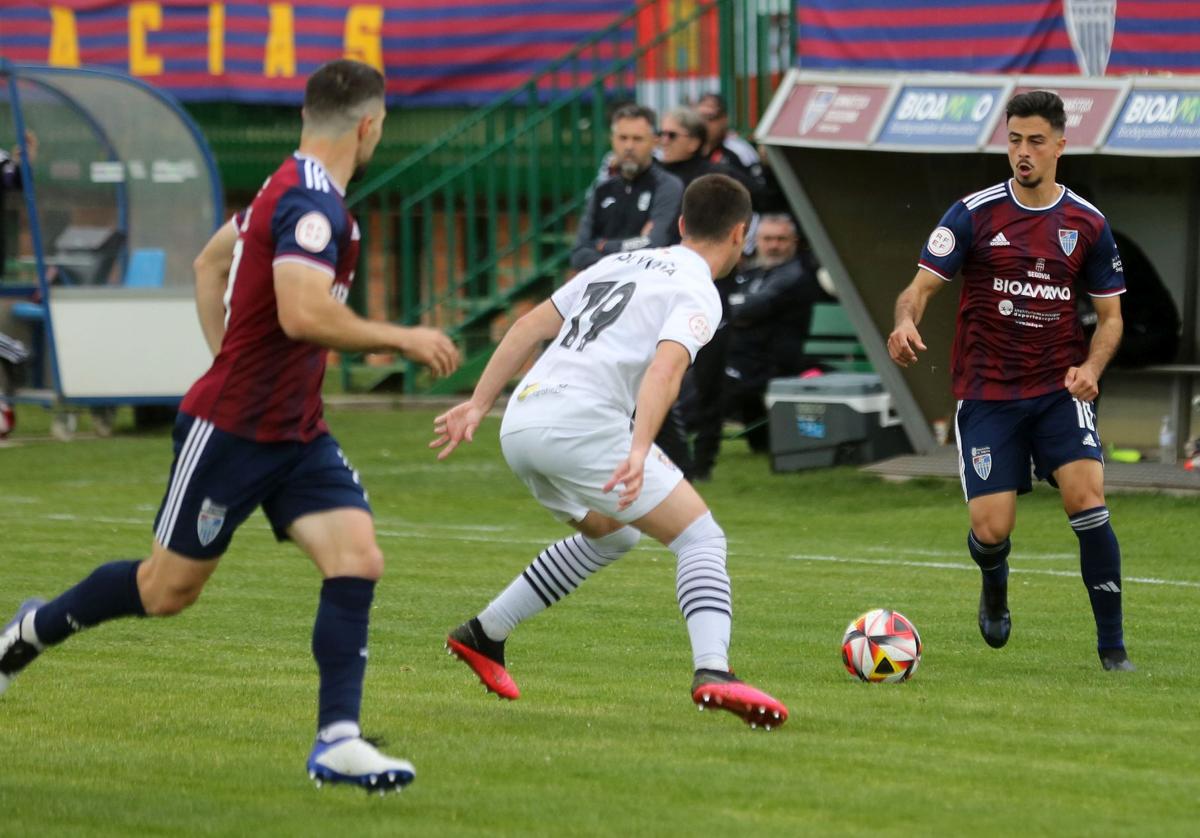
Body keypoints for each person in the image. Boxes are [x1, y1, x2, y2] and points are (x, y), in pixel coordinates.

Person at [0, 60, 462, 791]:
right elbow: (301, 313)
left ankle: (338, 740)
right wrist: (399, 336)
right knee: (165, 591)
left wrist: (230, 354)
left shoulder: (285, 194)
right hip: (234, 429)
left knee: (358, 558)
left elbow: (208, 264)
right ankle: (28, 632)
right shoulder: (313, 207)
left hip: (297, 431)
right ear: (369, 126)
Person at [430, 174, 788, 729]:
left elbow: (528, 326)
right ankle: (713, 671)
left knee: (614, 531)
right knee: (700, 536)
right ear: (741, 233)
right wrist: (640, 446)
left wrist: (478, 405)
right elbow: (667, 370)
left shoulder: (617, 264)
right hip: (580, 424)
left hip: (522, 422)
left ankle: (483, 635)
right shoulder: (698, 291)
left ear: (682, 224)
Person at [887, 90, 1132, 672]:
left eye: (1036, 141)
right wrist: (903, 322)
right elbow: (918, 288)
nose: (1023, 152)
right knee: (991, 528)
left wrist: (1091, 369)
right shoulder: (972, 214)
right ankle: (994, 579)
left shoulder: (1087, 224)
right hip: (988, 393)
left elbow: (1112, 317)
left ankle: (1113, 650)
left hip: (1057, 389)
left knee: (1087, 500)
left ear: (1060, 147)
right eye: (1015, 139)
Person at [721, 214, 831, 456]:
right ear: (757, 241)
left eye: (781, 239)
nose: (773, 245)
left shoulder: (796, 275)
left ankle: (682, 450)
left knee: (713, 384)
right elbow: (736, 309)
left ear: (794, 241)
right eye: (767, 239)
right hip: (745, 359)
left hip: (776, 362)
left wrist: (736, 310)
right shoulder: (752, 273)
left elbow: (753, 307)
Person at [570, 104, 684, 272]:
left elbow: (655, 247)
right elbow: (578, 254)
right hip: (603, 292)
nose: (629, 146)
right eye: (623, 138)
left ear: (654, 141)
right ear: (612, 140)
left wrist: (602, 245)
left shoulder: (668, 186)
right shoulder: (602, 189)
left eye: (637, 139)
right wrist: (635, 245)